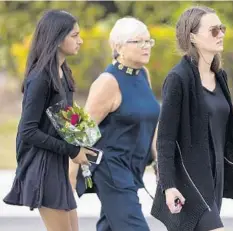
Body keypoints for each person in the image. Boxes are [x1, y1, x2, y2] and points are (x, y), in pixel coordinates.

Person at [151, 6, 233, 231]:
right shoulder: (177, 79)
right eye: (213, 30)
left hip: (214, 177)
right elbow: (165, 139)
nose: (221, 34)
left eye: (222, 28)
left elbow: (220, 132)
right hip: (189, 180)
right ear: (192, 36)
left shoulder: (219, 76)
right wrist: (168, 186)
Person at [3, 9, 97, 231]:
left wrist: (81, 138)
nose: (80, 41)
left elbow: (62, 120)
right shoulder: (40, 78)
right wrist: (72, 151)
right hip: (42, 166)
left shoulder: (62, 72)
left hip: (57, 163)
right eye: (74, 35)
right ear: (56, 38)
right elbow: (27, 130)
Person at [69, 17, 160, 231]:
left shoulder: (143, 75)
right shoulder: (107, 82)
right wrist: (70, 177)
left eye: (149, 41)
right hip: (110, 167)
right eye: (138, 42)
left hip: (134, 166)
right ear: (118, 46)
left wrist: (159, 162)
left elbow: (151, 122)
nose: (146, 46)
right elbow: (82, 130)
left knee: (110, 226)